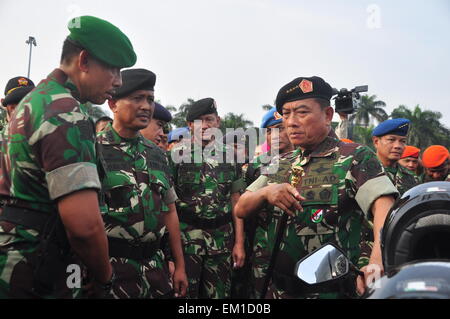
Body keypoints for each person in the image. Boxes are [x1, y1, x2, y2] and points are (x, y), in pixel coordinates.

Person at [0, 15, 136, 298]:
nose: (119, 81)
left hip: (18, 260)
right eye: (113, 69)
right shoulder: (66, 112)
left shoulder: (36, 100)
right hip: (39, 270)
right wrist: (104, 279)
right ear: (84, 61)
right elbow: (84, 226)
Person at [235, 76, 398, 299]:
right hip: (278, 290)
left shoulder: (354, 157)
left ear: (328, 115)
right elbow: (241, 208)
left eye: (302, 112)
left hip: (330, 291)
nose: (291, 122)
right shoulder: (281, 163)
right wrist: (266, 192)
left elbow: (385, 208)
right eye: (286, 113)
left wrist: (377, 262)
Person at [97, 68, 187, 298]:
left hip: (154, 269)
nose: (146, 106)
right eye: (137, 98)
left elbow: (170, 210)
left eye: (150, 99)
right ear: (113, 103)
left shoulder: (157, 154)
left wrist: (179, 265)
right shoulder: (93, 150)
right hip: (111, 270)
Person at [168, 97, 246, 299]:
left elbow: (236, 200)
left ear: (218, 122)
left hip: (221, 242)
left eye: (209, 119)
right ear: (189, 125)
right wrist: (170, 255)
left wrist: (239, 243)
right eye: (199, 121)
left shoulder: (232, 156)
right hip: (186, 243)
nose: (205, 126)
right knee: (184, 296)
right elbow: (168, 207)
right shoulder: (175, 155)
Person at [246, 107, 294, 299]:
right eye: (269, 130)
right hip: (262, 246)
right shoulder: (254, 167)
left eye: (281, 128)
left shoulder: (307, 161)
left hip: (296, 245)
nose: (276, 135)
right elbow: (242, 206)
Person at [372, 119, 417, 195]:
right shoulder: (362, 171)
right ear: (376, 142)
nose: (398, 146)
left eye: (403, 141)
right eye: (391, 140)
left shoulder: (411, 177)